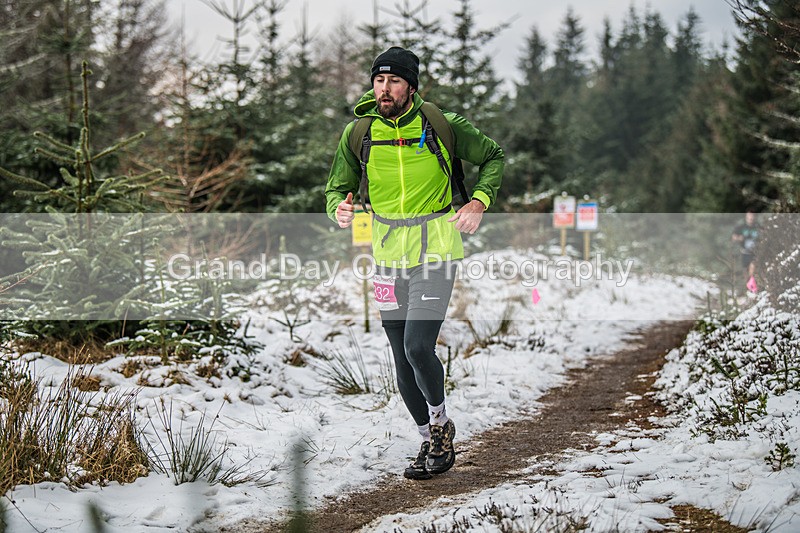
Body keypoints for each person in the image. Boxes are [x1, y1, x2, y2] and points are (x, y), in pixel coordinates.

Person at [325, 46, 504, 480]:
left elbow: (494, 156)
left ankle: (442, 425)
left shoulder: (442, 126)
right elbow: (336, 188)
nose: (385, 89)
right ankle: (427, 437)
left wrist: (479, 202)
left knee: (417, 346)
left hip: (436, 248)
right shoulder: (359, 133)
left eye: (395, 81)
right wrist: (339, 209)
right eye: (379, 80)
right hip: (386, 255)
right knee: (400, 358)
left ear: (411, 85)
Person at [731, 210, 760, 292]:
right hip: (744, 253)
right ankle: (749, 288)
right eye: (749, 217)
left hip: (755, 253)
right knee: (746, 273)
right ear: (746, 217)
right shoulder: (741, 227)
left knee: (753, 267)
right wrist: (739, 238)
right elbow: (733, 237)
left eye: (752, 217)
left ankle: (754, 288)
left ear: (755, 217)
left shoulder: (758, 227)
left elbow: (764, 234)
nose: (751, 218)